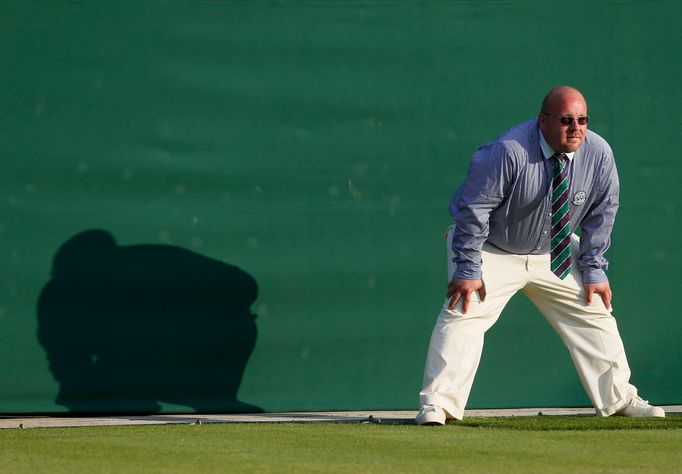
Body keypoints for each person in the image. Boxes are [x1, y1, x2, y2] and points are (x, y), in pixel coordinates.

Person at [416, 86, 665, 425]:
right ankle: (438, 405)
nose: (575, 127)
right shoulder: (509, 151)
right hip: (492, 249)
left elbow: (602, 214)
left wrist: (594, 269)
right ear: (543, 120)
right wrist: (467, 267)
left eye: (582, 119)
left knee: (595, 309)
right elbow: (473, 209)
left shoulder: (599, 154)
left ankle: (620, 398)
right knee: (464, 312)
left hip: (555, 250)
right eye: (565, 120)